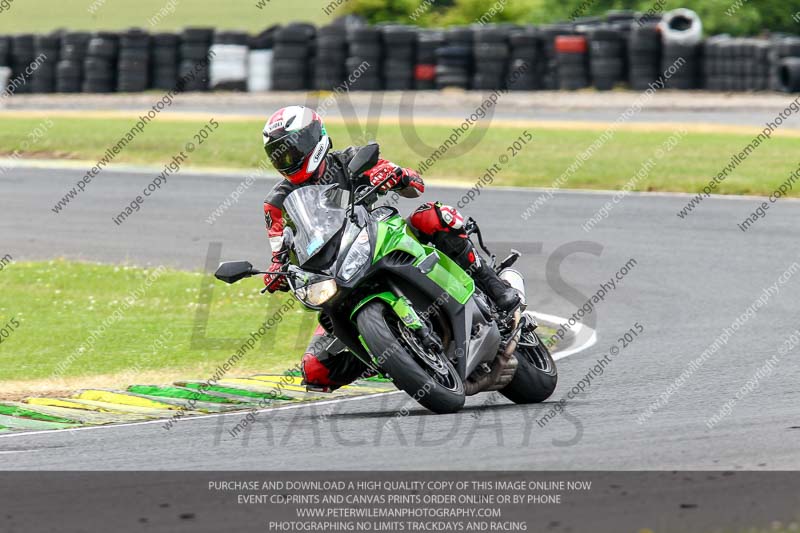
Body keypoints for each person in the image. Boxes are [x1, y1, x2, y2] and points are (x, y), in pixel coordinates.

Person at [261, 106, 520, 391]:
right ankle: (393, 357)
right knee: (315, 369)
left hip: (377, 239)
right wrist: (276, 272)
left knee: (433, 217)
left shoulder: (350, 160)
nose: (286, 160)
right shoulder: (276, 203)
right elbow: (280, 250)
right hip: (335, 274)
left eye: (291, 151)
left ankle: (494, 287)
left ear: (314, 140)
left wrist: (395, 175)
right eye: (278, 155)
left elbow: (415, 185)